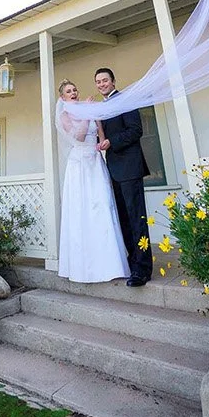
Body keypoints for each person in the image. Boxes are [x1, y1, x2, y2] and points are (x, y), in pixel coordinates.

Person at [54, 80, 131, 284]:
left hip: (95, 162)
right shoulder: (64, 116)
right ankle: (84, 267)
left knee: (102, 207)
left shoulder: (89, 111)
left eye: (75, 89)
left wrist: (102, 139)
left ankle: (110, 263)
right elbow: (79, 136)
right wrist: (87, 113)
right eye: (69, 91)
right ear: (62, 97)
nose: (73, 93)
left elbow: (101, 137)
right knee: (82, 211)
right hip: (78, 165)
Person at [94, 67, 153, 287]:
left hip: (130, 168)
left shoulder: (125, 100)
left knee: (137, 220)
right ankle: (131, 262)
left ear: (113, 81)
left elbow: (135, 130)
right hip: (115, 171)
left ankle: (143, 269)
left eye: (105, 80)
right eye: (98, 82)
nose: (101, 84)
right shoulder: (103, 107)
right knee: (124, 220)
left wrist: (112, 142)